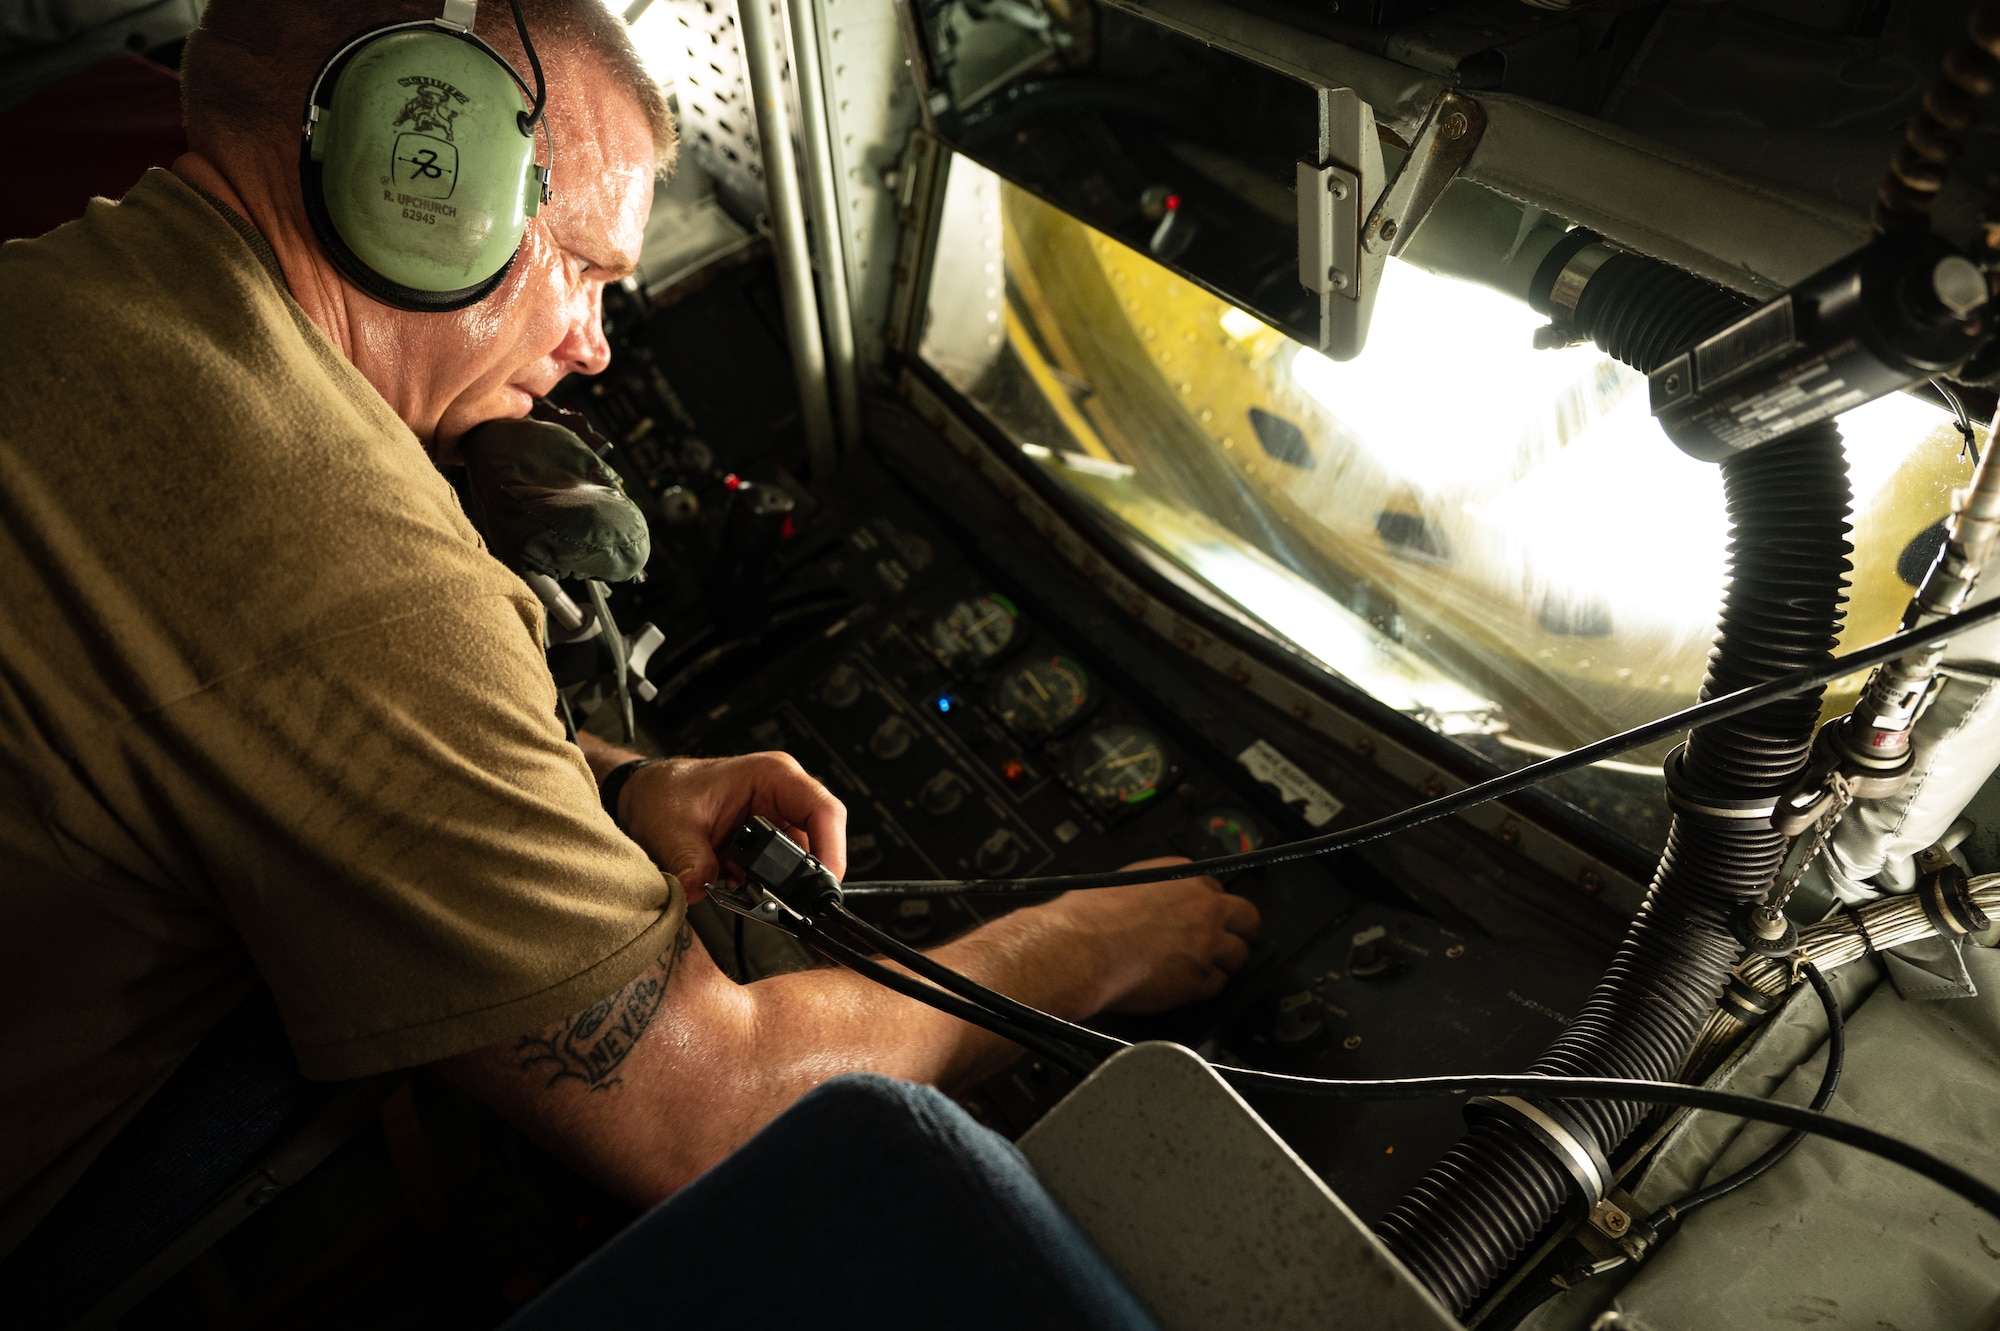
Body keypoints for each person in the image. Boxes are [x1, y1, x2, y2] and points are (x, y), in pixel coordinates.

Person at [0, 0, 1260, 1268]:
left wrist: (625, 781)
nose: (594, 345)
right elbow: (714, 1111)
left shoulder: (73, 278)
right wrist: (1083, 946)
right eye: (587, 268)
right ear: (421, 180)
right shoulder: (348, 562)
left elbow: (241, 707)